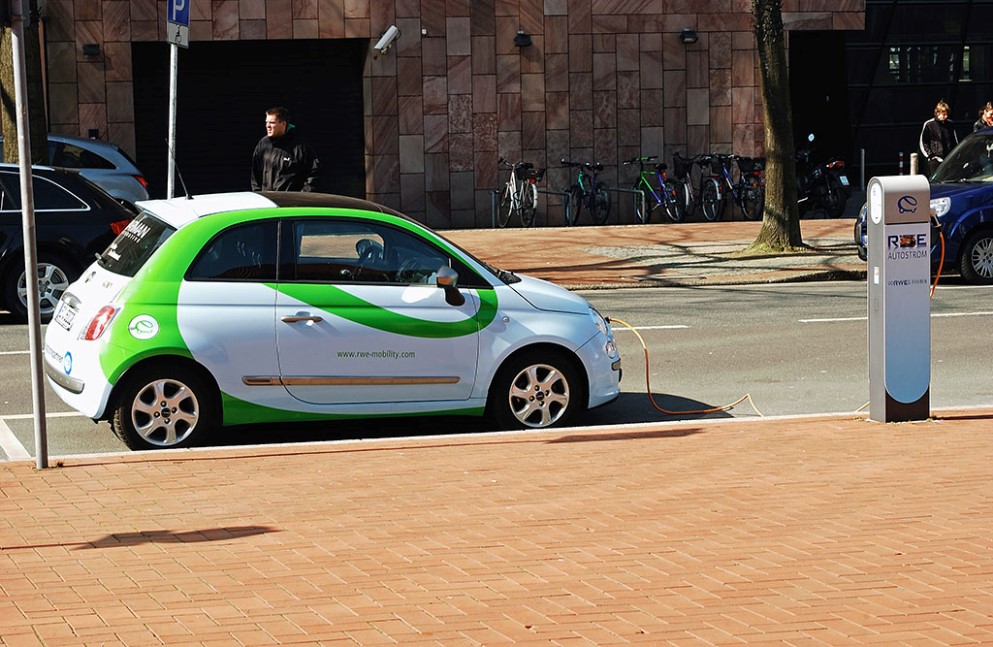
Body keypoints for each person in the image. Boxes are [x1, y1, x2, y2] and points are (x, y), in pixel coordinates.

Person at [251, 106, 321, 192]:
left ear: (283, 124)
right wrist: (259, 194)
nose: (267, 126)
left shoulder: (300, 146)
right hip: (268, 201)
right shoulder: (263, 144)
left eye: (272, 122)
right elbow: (255, 175)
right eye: (266, 122)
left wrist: (301, 198)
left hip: (290, 203)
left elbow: (314, 174)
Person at [919, 99, 958, 175]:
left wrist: (954, 155)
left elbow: (954, 140)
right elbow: (923, 142)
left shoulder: (950, 124)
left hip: (948, 158)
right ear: (937, 113)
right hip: (935, 159)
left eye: (946, 114)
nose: (945, 116)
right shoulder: (929, 124)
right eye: (943, 114)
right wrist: (930, 155)